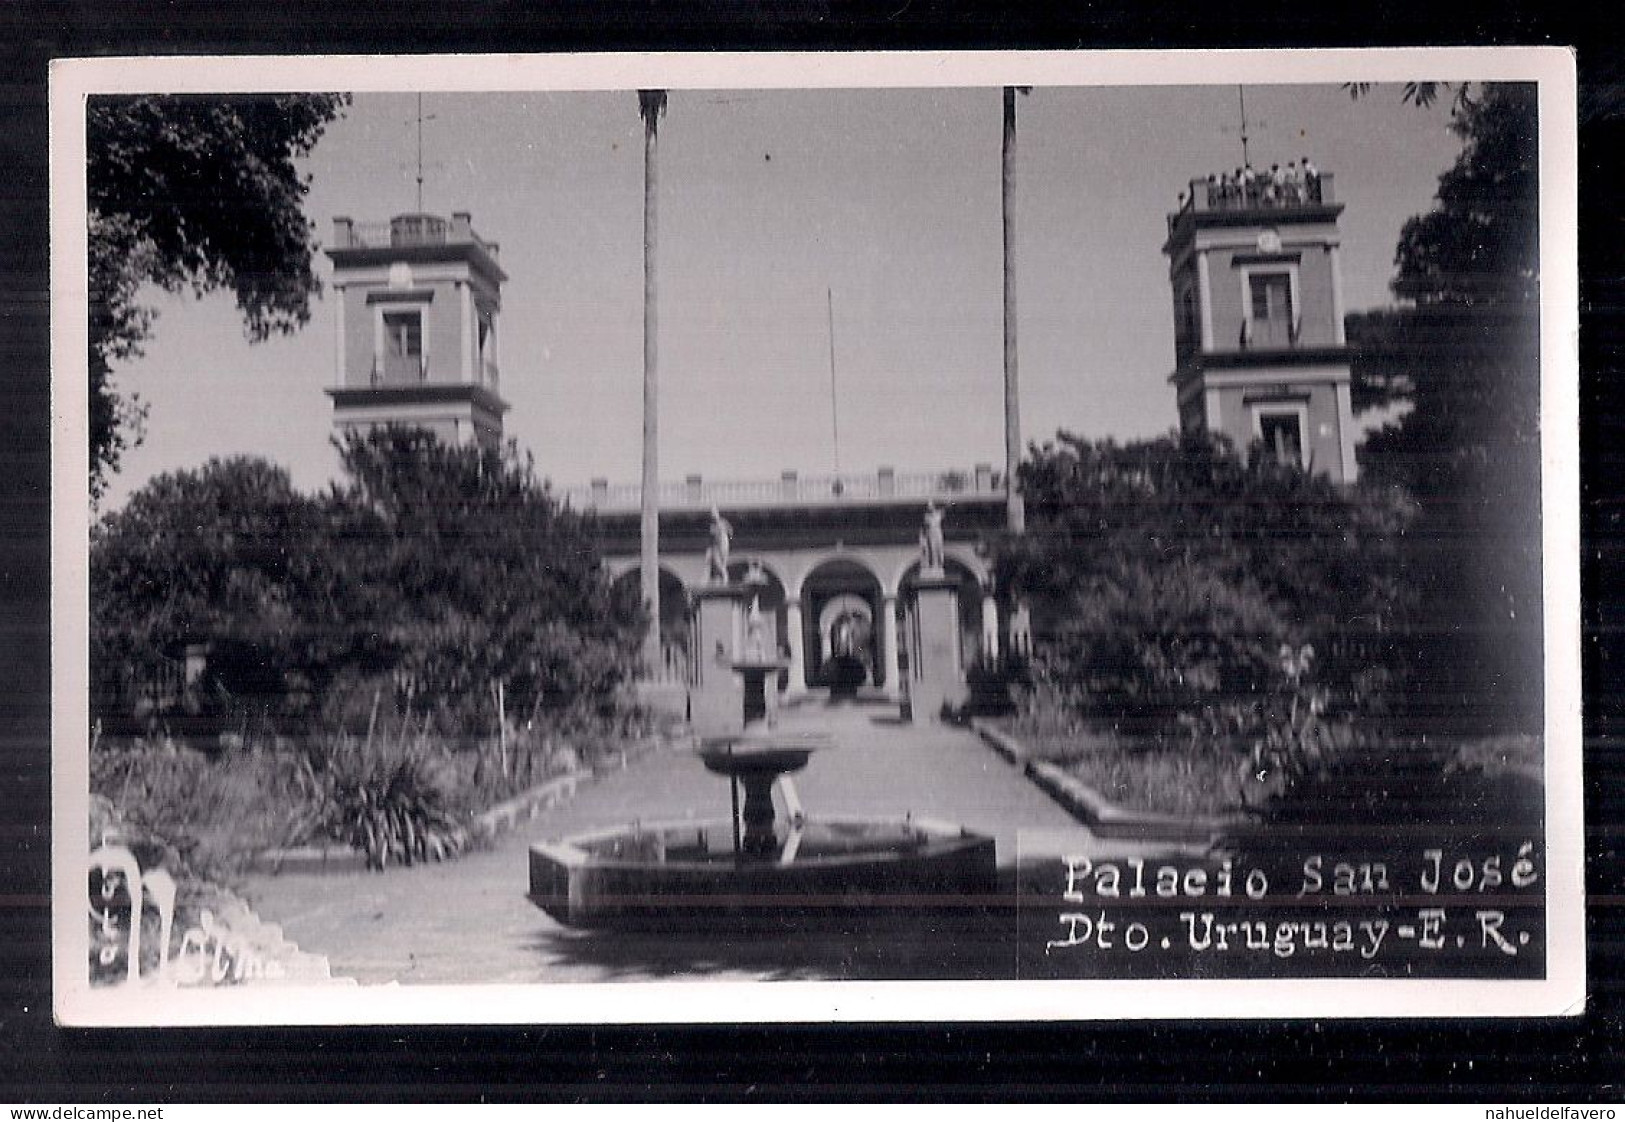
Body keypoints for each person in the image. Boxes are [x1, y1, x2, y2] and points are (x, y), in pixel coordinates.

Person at [704, 505, 732, 585]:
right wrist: (710, 549)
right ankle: (719, 581)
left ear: (717, 513)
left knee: (722, 564)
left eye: (714, 513)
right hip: (716, 547)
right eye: (712, 514)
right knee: (716, 564)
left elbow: (730, 532)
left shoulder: (723, 522)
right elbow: (711, 538)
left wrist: (728, 539)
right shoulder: (712, 526)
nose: (713, 515)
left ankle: (724, 580)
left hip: (723, 545)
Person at [920, 501, 946, 574]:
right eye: (928, 507)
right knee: (932, 549)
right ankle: (933, 565)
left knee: (939, 548)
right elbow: (925, 526)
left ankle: (939, 564)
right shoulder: (927, 516)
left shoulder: (938, 514)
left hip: (937, 532)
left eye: (931, 506)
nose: (930, 508)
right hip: (931, 533)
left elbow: (945, 509)